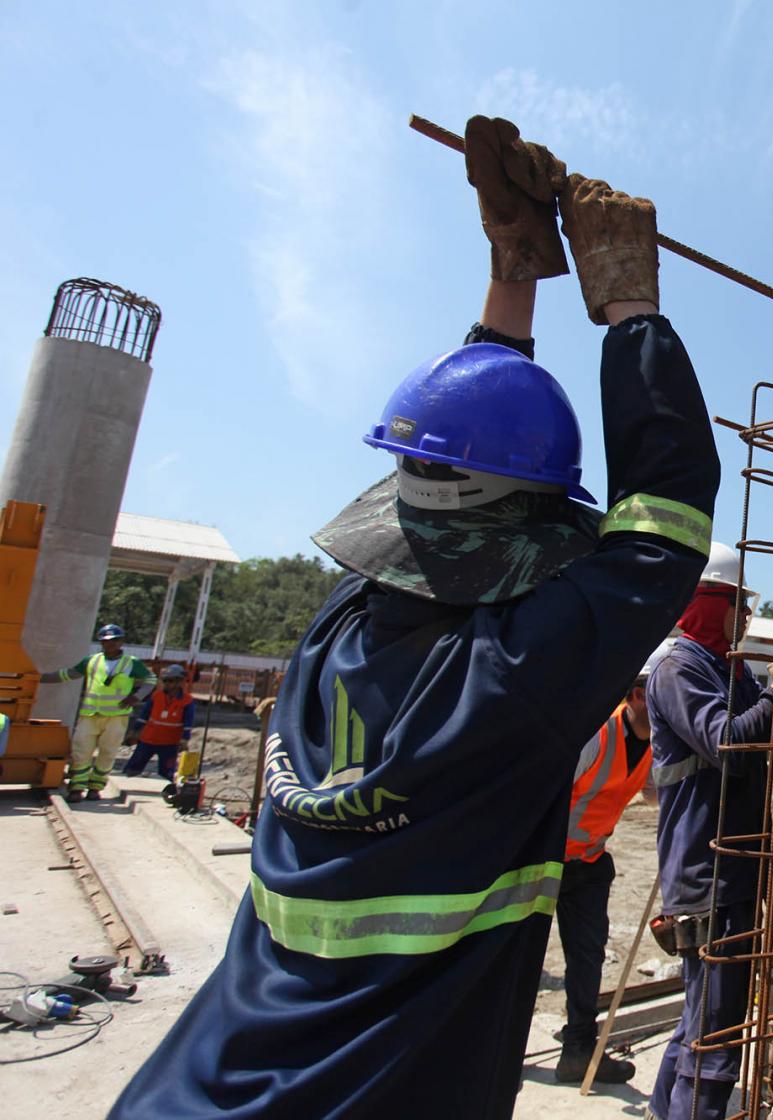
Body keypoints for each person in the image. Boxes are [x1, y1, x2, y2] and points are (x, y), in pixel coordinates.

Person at [111, 115, 719, 1118]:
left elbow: (456, 464)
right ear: (528, 533)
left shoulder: (332, 631)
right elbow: (663, 518)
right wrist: (631, 307)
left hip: (201, 1080)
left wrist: (516, 277)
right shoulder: (512, 680)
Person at [646, 542, 773, 1120]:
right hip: (708, 874)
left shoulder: (731, 668)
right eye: (736, 604)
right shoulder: (678, 667)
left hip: (733, 868)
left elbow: (765, 731)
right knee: (717, 1039)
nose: (744, 617)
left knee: (697, 1021)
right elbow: (731, 746)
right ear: (706, 601)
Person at [552, 655, 660, 1085]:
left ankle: (579, 1049)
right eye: (659, 697)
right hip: (543, 862)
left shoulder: (653, 742)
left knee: (586, 957)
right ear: (635, 696)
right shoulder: (596, 734)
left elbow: (653, 793)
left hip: (589, 862)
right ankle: (491, 1046)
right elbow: (547, 795)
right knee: (514, 957)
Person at [44, 622, 155, 801]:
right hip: (90, 715)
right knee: (81, 751)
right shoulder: (92, 660)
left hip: (116, 717)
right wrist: (40, 678)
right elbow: (69, 674)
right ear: (101, 643)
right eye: (106, 641)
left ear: (121, 642)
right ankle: (76, 788)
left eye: (114, 640)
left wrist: (136, 697)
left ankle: (95, 787)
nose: (110, 644)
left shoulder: (131, 663)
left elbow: (151, 679)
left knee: (108, 752)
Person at [123, 663, 196, 793]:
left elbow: (188, 723)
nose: (167, 684)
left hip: (170, 743)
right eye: (165, 681)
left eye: (171, 681)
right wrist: (134, 731)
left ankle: (168, 792)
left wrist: (184, 740)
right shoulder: (157, 696)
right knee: (134, 766)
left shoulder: (187, 701)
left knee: (167, 772)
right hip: (148, 739)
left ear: (180, 682)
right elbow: (144, 715)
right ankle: (125, 784)